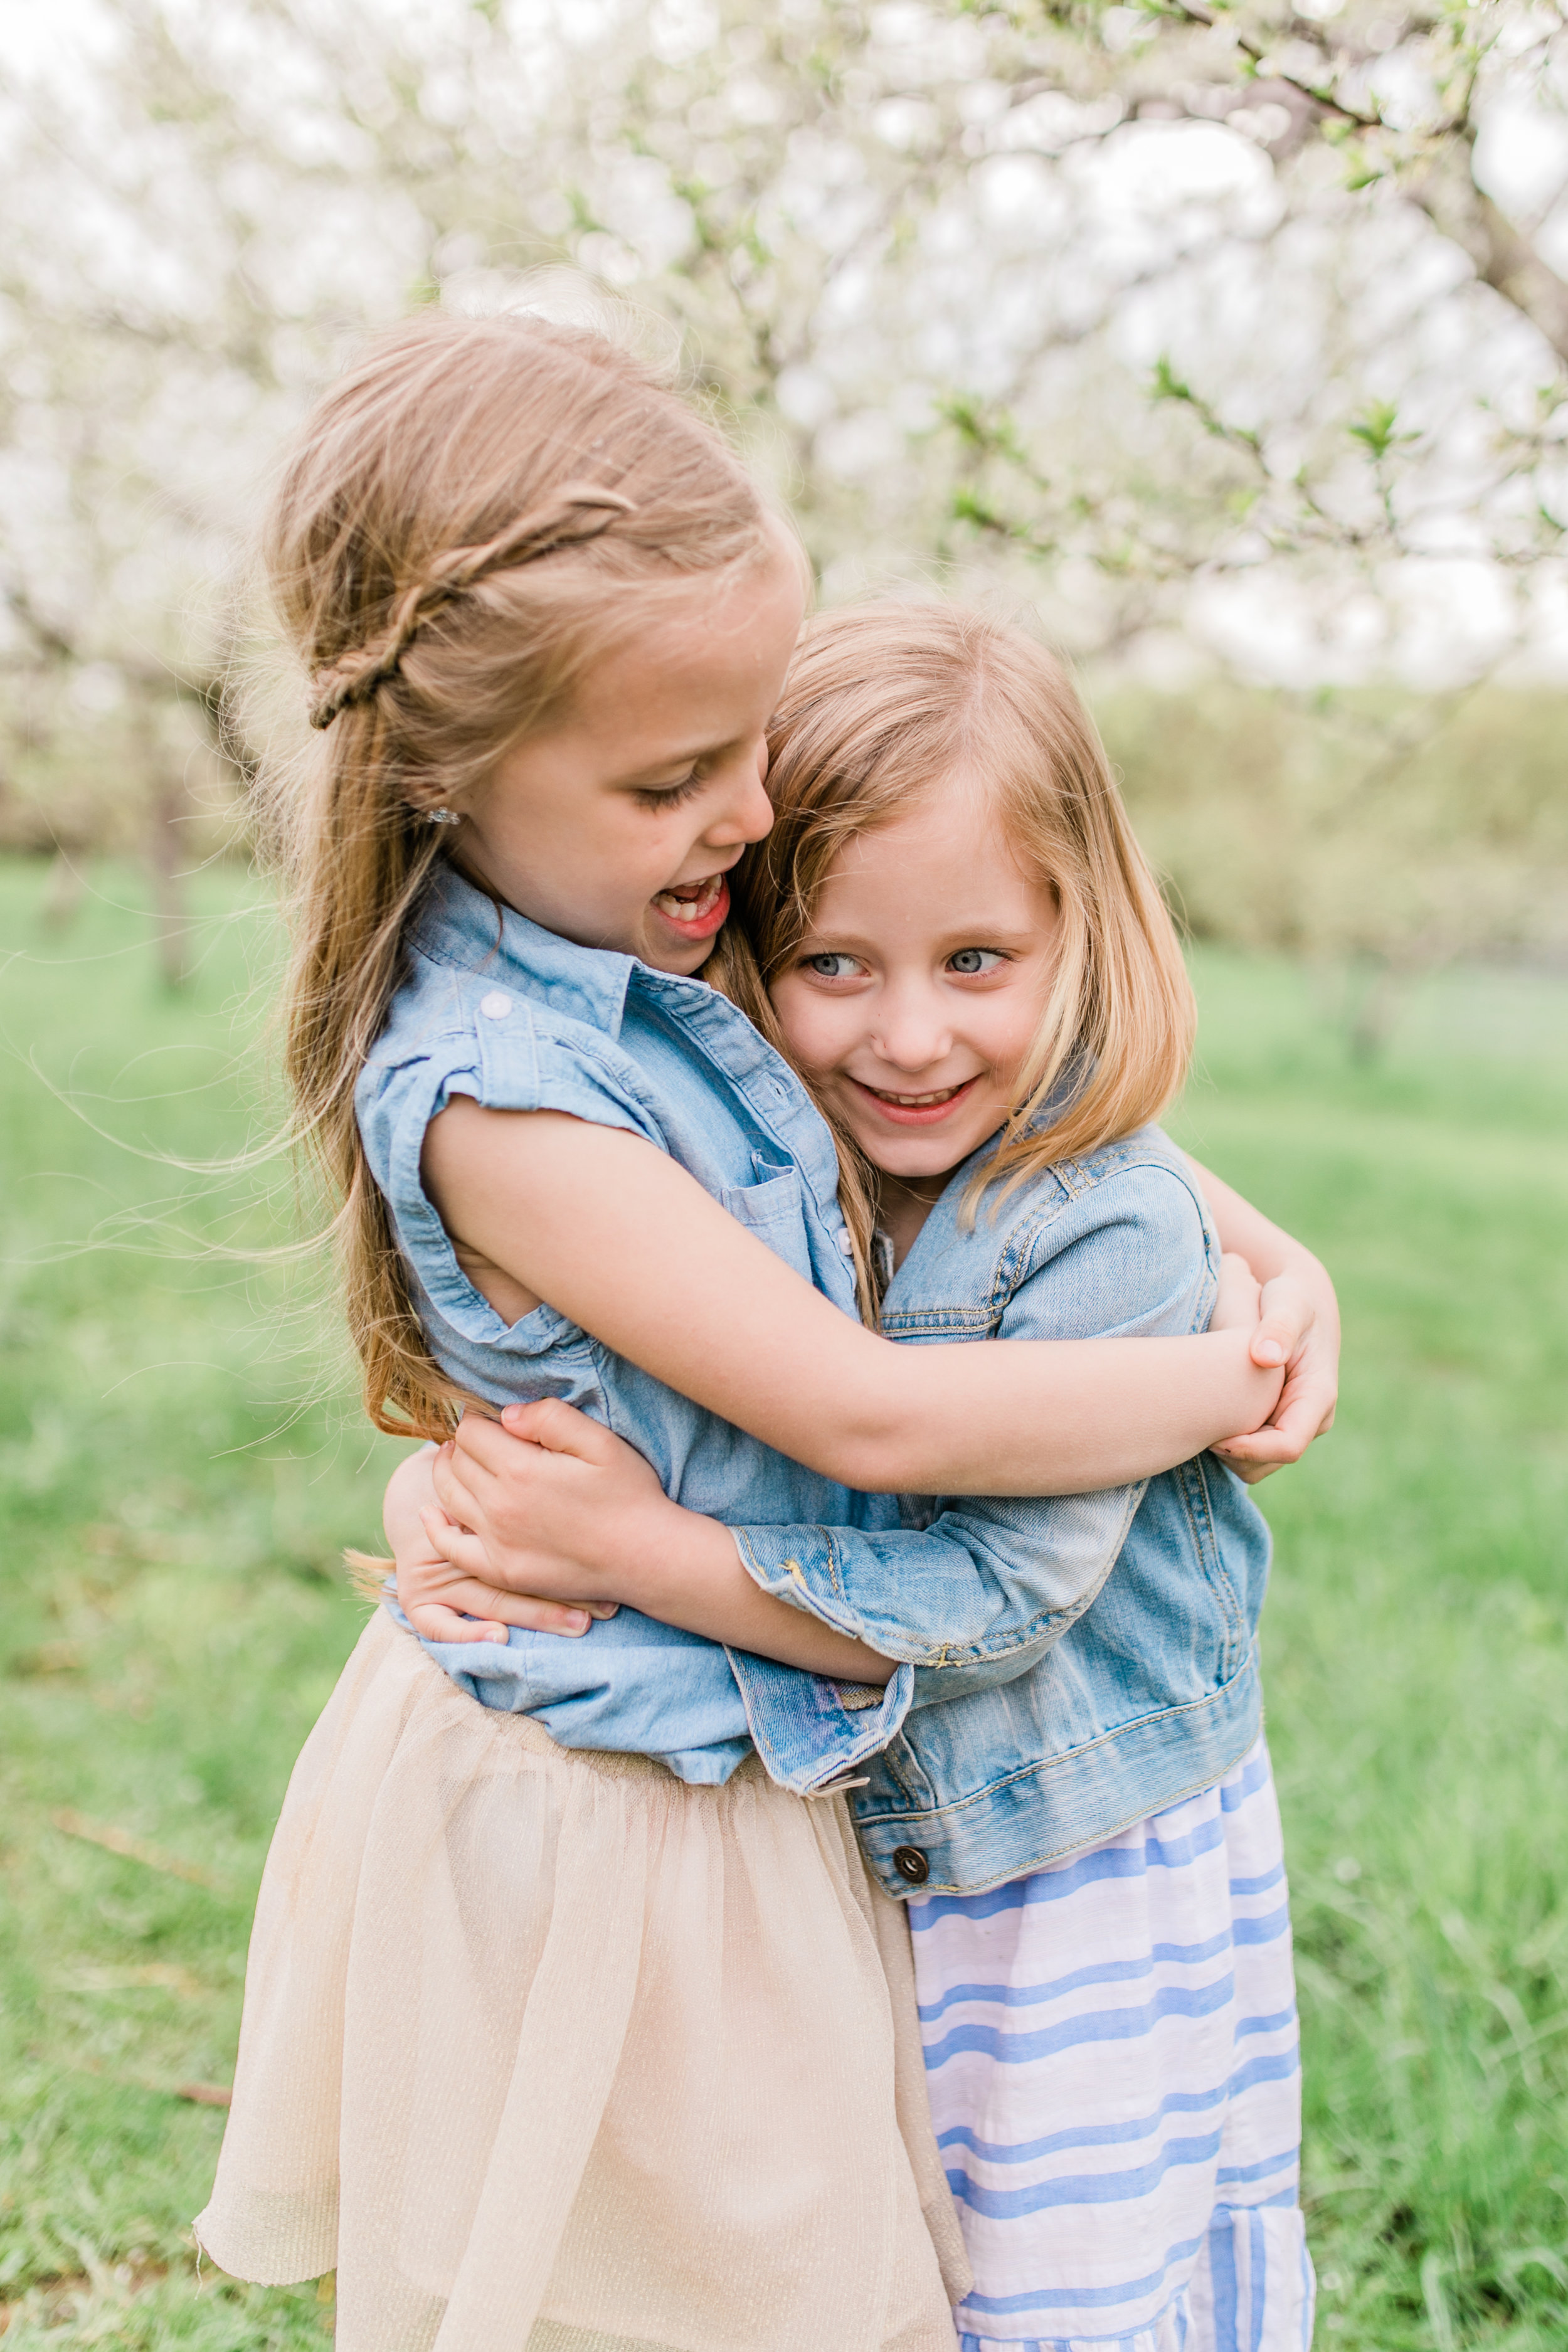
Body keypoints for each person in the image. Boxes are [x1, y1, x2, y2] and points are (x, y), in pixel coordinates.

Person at [194, 309, 1328, 2352]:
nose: (744, 812)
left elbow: (989, 1114)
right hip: (616, 1790)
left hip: (735, 1758)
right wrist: (1212, 1382)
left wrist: (1258, 1247)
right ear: (450, 766)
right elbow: (862, 1413)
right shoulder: (514, 1088)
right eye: (681, 774)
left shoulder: (635, 930)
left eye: (748, 757)